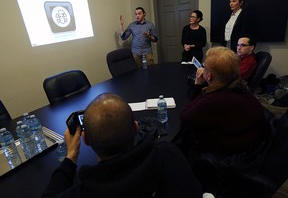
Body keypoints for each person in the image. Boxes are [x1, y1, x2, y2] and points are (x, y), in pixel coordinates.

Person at [42, 93, 203, 198]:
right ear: (136, 127)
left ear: (85, 139)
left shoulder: (85, 191)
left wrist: (70, 157)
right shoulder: (169, 154)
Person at [179, 47, 270, 177]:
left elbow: (185, 117)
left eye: (205, 68)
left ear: (208, 75)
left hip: (229, 155)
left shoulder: (213, 100)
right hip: (251, 146)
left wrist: (198, 85)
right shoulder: (242, 88)